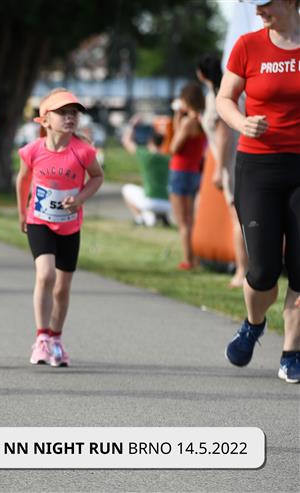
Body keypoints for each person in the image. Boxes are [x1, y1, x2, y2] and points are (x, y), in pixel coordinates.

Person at [216, 0, 300, 383]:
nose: (259, 11)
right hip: (258, 166)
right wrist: (242, 122)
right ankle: (254, 323)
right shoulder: (248, 45)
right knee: (263, 270)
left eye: (265, 4)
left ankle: (291, 352)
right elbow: (224, 98)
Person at [16, 89, 104, 367]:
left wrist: (79, 199)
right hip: (39, 221)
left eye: (74, 113)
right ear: (45, 120)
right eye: (62, 113)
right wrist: (22, 212)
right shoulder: (33, 150)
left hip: (69, 226)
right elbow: (23, 180)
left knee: (62, 288)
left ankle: (55, 338)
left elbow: (97, 177)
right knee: (45, 275)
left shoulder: (83, 151)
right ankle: (41, 337)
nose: (70, 117)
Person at [196, 52, 247, 287]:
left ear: (201, 74)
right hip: (242, 159)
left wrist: (219, 169)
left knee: (238, 220)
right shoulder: (235, 92)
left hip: (232, 164)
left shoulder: (217, 97)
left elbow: (223, 134)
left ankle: (242, 270)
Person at [168, 82, 207, 270]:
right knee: (191, 219)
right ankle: (195, 257)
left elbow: (174, 147)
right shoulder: (201, 120)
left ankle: (188, 259)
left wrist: (179, 122)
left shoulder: (188, 122)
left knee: (183, 222)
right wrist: (178, 119)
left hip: (180, 172)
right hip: (194, 172)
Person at [120, 114, 171, 227]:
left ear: (150, 141)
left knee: (126, 189)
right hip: (167, 203)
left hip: (150, 202)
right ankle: (162, 216)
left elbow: (126, 141)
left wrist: (132, 124)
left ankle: (139, 219)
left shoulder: (145, 155)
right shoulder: (168, 158)